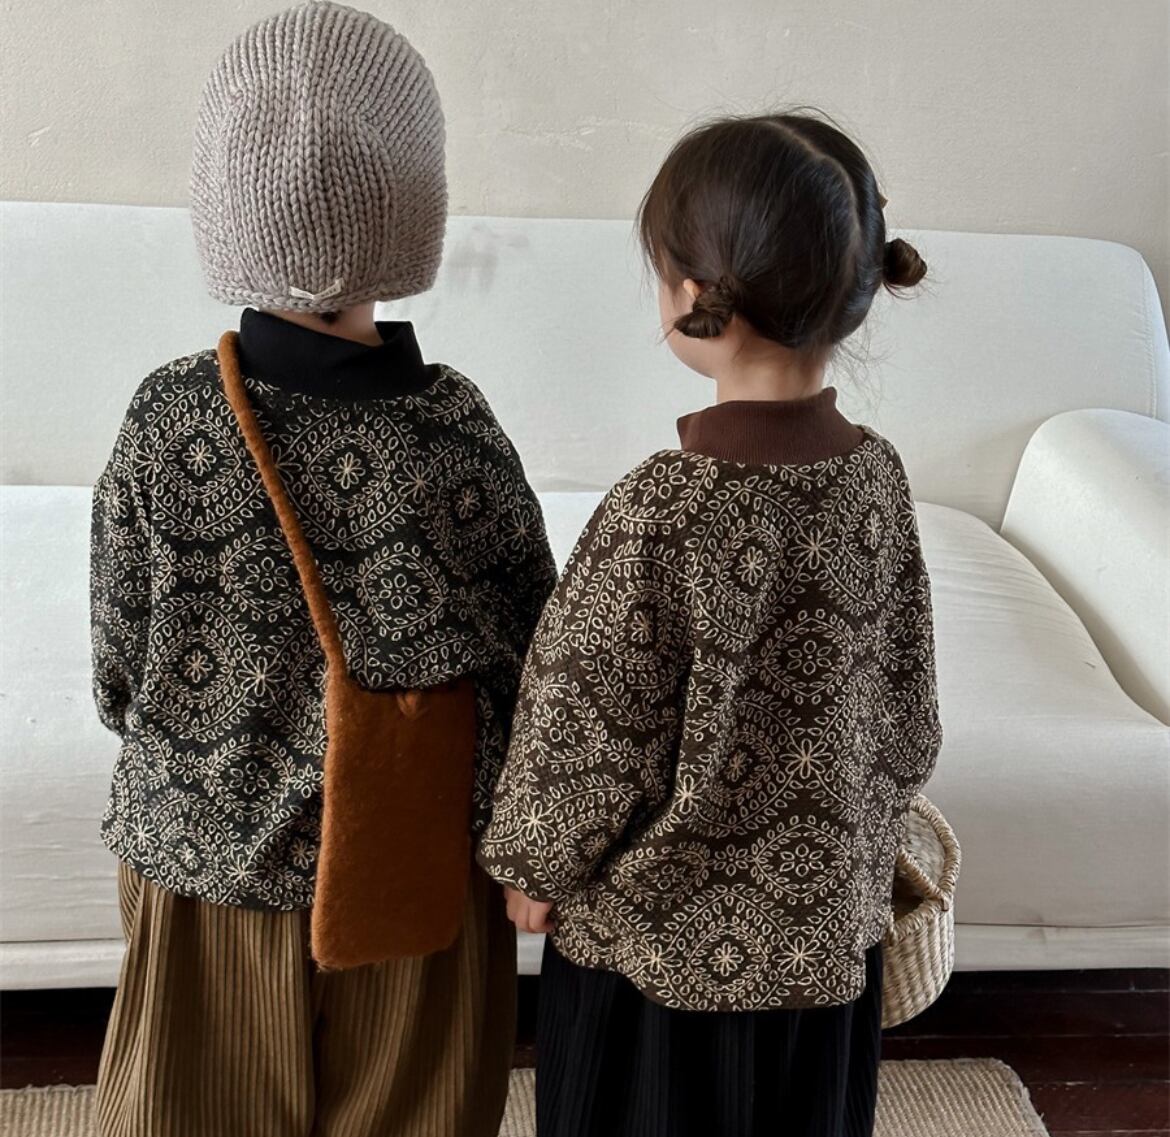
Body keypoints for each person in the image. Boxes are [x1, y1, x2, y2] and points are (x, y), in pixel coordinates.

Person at [89, 4, 555, 1134]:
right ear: (415, 205)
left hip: (202, 862)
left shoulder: (168, 418)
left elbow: (117, 665)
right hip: (411, 872)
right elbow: (534, 653)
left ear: (220, 199)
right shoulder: (455, 433)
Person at [478, 112, 943, 1137]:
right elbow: (907, 707)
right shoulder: (878, 477)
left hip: (658, 966)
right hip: (826, 946)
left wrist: (534, 866)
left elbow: (588, 713)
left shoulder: (664, 507)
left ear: (693, 296)